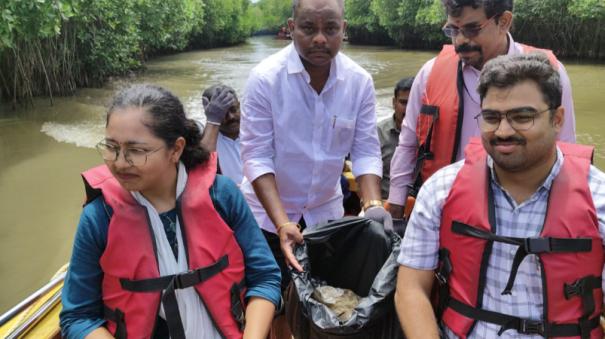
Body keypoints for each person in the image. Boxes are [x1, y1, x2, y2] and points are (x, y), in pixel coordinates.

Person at [394, 53, 605, 338]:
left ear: (557, 119)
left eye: (522, 117)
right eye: (492, 117)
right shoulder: (441, 190)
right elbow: (411, 288)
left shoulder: (599, 200)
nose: (503, 131)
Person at [60, 84, 281, 339]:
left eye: (136, 151)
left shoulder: (222, 196)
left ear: (175, 149)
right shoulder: (100, 217)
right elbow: (78, 317)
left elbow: (264, 276)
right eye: (111, 147)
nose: (120, 163)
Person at [240, 0, 387, 336]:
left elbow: (365, 148)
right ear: (291, 27)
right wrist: (282, 223)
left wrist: (373, 204)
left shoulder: (359, 81)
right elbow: (257, 155)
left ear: (344, 30)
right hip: (265, 216)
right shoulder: (265, 79)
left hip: (326, 215)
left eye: (330, 29)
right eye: (309, 28)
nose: (320, 38)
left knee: (325, 301)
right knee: (271, 298)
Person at [387, 0, 577, 219]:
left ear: (503, 22)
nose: (460, 41)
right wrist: (396, 203)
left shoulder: (550, 73)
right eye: (453, 30)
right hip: (446, 205)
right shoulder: (430, 73)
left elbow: (566, 148)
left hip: (527, 210)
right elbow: (409, 142)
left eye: (471, 29)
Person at [377, 77, 414, 199]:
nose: (409, 109)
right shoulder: (377, 133)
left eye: (414, 103)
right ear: (393, 103)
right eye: (404, 103)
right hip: (383, 202)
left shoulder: (430, 136)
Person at [200, 84, 244, 185]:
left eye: (233, 109)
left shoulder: (257, 133)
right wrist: (212, 120)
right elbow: (202, 167)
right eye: (223, 113)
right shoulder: (207, 142)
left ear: (239, 105)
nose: (231, 117)